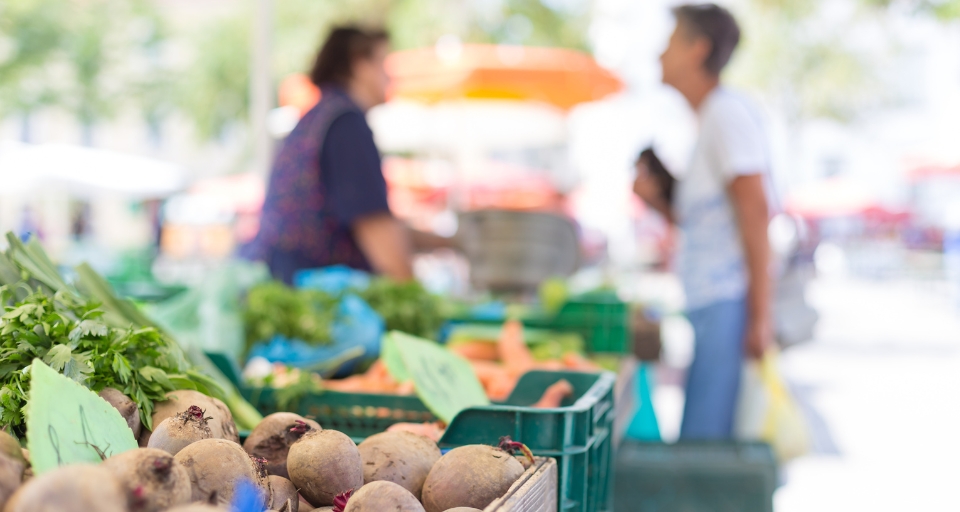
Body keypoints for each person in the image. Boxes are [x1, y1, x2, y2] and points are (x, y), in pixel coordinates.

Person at [633, 4, 771, 439]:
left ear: (698, 49)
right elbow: (708, 226)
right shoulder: (710, 120)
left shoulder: (725, 114)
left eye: (670, 41)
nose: (659, 54)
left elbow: (756, 210)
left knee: (703, 443)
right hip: (713, 304)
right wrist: (657, 203)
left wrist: (759, 317)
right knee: (701, 436)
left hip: (727, 303)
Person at [244, 27, 426, 283]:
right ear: (359, 64)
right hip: (309, 295)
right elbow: (379, 234)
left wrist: (445, 240)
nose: (390, 77)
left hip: (279, 279)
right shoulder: (346, 123)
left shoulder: (317, 115)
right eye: (383, 64)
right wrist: (420, 303)